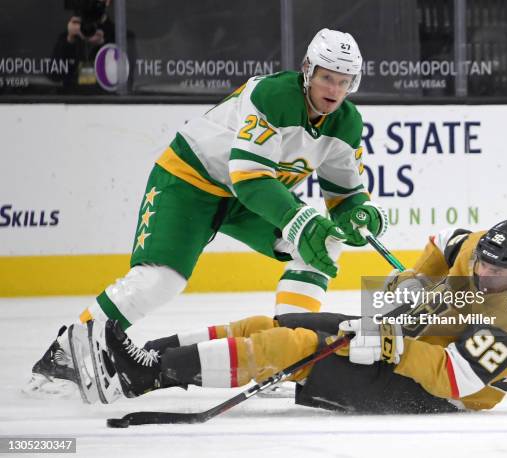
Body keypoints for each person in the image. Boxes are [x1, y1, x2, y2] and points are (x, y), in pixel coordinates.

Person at [25, 29, 388, 403]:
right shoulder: (273, 95)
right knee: (160, 281)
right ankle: (64, 354)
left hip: (246, 198)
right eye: (327, 76)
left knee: (323, 246)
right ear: (307, 70)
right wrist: (297, 218)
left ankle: (287, 356)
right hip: (190, 180)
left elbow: (344, 195)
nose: (333, 88)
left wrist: (360, 215)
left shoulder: (346, 122)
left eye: (343, 81)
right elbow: (249, 178)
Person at [80, 219, 507, 413]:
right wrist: (417, 279)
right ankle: (142, 355)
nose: (485, 273)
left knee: (292, 349)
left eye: (498, 270)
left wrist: (391, 346)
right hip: (413, 338)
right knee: (271, 326)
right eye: (482, 262)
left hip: (433, 393)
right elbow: (448, 242)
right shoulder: (478, 248)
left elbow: (456, 379)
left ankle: (147, 377)